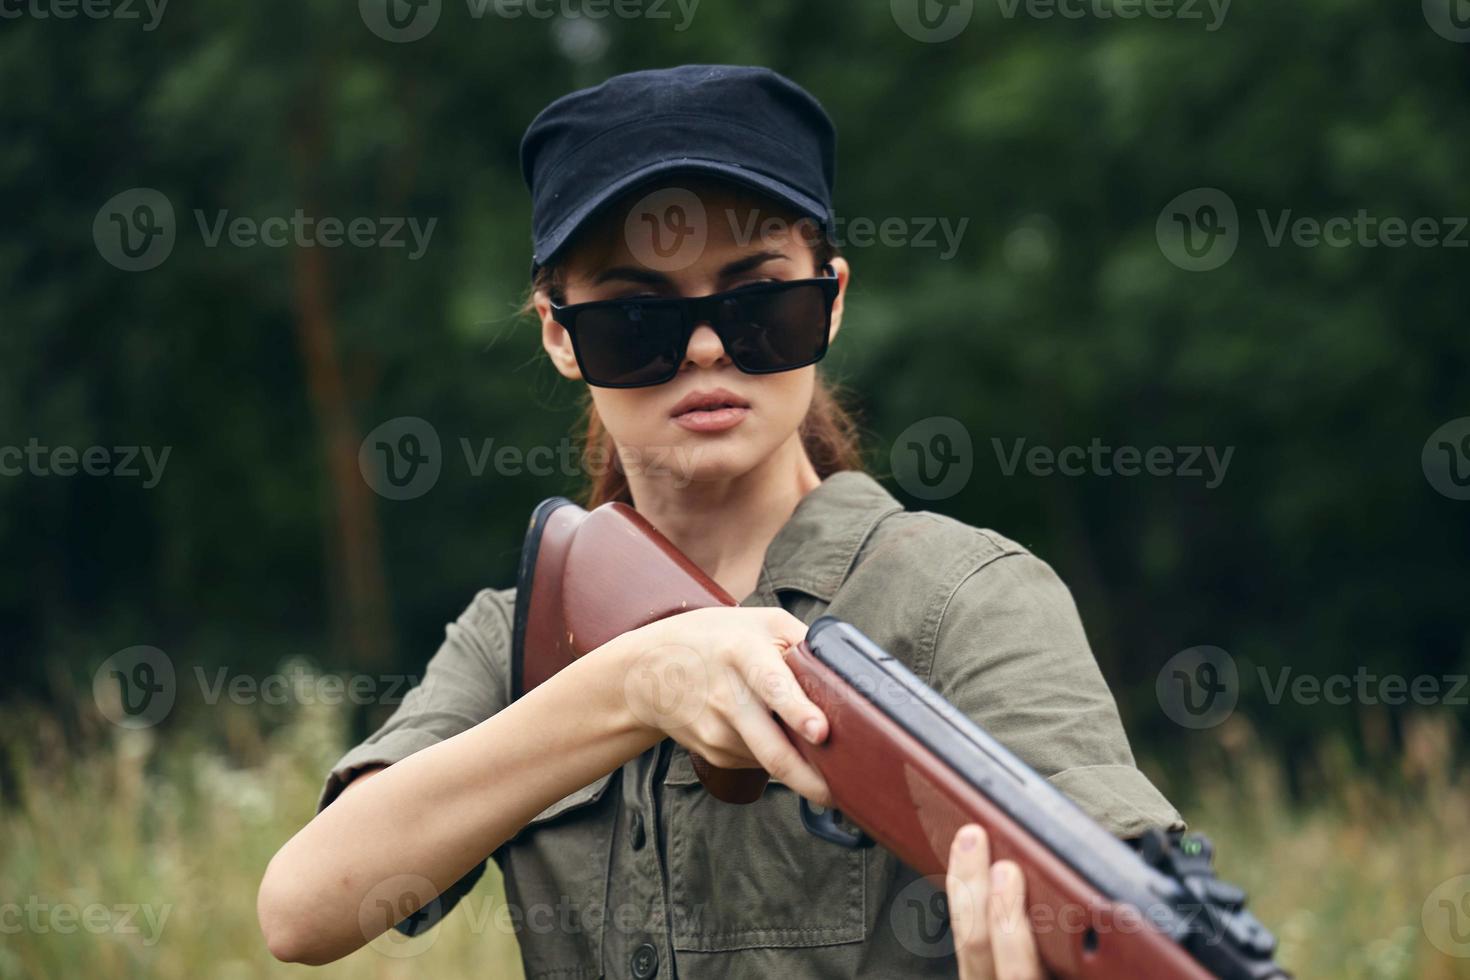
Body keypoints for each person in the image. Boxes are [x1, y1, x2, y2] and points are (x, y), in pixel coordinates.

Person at [257, 64, 1184, 979]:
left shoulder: (964, 599)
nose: (705, 347)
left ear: (832, 300)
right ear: (558, 335)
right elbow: (303, 909)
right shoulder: (514, 634)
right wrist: (631, 687)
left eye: (759, 303)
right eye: (635, 320)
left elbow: (1124, 881)